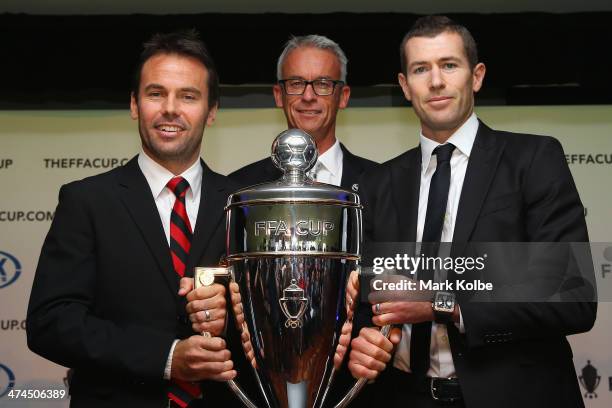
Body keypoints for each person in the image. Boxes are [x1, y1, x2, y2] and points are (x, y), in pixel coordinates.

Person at [347, 16, 596, 407]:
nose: (435, 81)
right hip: (404, 397)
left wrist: (442, 302)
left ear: (476, 76)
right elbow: (369, 298)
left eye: (449, 65)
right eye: (420, 69)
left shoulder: (532, 160)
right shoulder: (379, 184)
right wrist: (361, 341)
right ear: (404, 86)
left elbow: (574, 296)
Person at [27, 30, 239, 408]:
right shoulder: (87, 201)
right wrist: (168, 358)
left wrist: (232, 319)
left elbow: (276, 326)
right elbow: (50, 323)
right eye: (156, 93)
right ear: (134, 105)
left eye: (188, 96)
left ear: (211, 112)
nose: (170, 108)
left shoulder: (241, 206)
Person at [229, 34, 376, 191]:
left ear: (343, 97)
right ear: (279, 95)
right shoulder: (240, 186)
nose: (308, 96)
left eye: (322, 84)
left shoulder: (380, 182)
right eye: (296, 83)